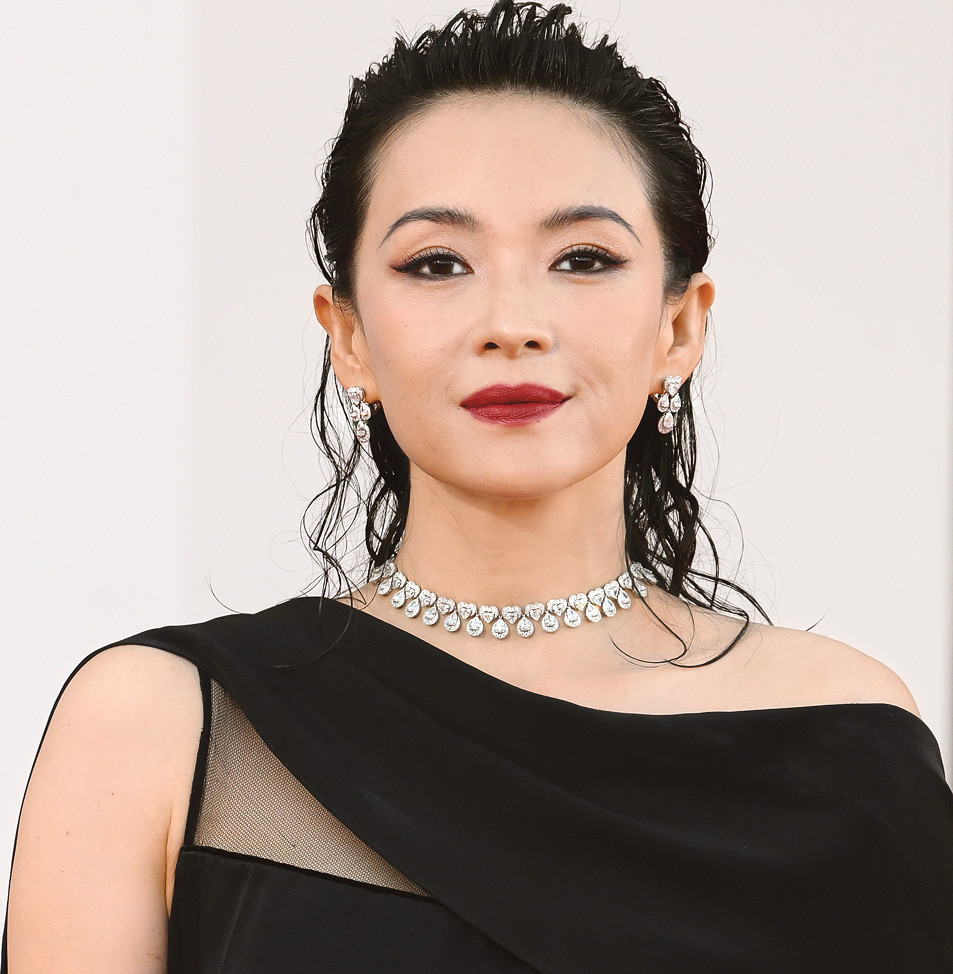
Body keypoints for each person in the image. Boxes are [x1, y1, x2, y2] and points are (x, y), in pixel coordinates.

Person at [4, 1, 952, 971]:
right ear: (348, 336)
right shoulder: (163, 725)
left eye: (582, 258)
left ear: (679, 326)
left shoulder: (842, 737)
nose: (511, 322)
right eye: (436, 263)